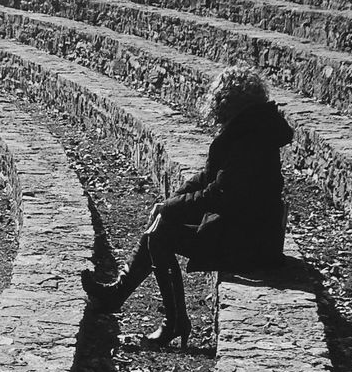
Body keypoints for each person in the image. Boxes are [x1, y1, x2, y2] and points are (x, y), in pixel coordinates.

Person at [81, 65, 294, 348]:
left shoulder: (249, 139)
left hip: (251, 244)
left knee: (161, 235)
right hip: (247, 230)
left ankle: (173, 321)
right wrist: (167, 205)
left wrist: (169, 209)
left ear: (227, 102)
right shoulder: (249, 129)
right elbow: (208, 177)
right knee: (162, 225)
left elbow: (219, 194)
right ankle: (121, 294)